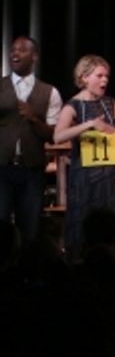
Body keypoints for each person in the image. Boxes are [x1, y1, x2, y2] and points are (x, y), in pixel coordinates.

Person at [54, 55, 115, 261]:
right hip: (84, 176)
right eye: (99, 76)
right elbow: (58, 136)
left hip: (108, 173)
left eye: (107, 76)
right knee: (83, 222)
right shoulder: (73, 105)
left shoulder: (110, 103)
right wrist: (88, 125)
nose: (105, 80)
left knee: (108, 221)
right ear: (84, 77)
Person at [0, 36, 62, 246]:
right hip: (2, 168)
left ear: (34, 56)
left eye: (21, 50)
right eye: (12, 50)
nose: (14, 54)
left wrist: (34, 118)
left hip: (31, 171)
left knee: (30, 230)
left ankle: (27, 275)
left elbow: (52, 135)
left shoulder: (50, 92)